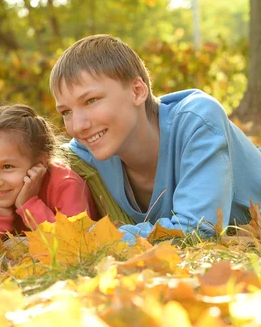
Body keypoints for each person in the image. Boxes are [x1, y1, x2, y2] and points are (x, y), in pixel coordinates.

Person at [49, 34, 261, 242]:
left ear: (137, 91)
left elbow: (197, 228)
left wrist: (89, 240)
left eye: (91, 100)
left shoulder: (198, 119)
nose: (77, 126)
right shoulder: (86, 153)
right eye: (66, 112)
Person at [0, 104, 98, 244]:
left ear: (41, 163)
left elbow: (75, 244)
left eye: (7, 167)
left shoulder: (65, 184)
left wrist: (28, 205)